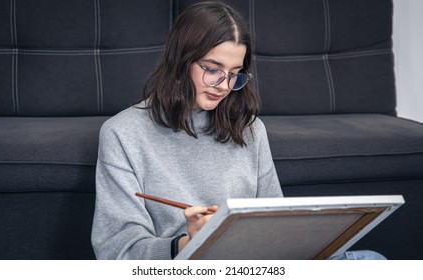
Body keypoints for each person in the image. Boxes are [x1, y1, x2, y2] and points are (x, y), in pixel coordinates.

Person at [91, 1, 385, 260]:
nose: (223, 85)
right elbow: (117, 252)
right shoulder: (123, 133)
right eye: (212, 68)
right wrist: (186, 243)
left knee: (371, 261)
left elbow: (278, 227)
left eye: (234, 74)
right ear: (179, 61)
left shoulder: (250, 129)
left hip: (260, 266)